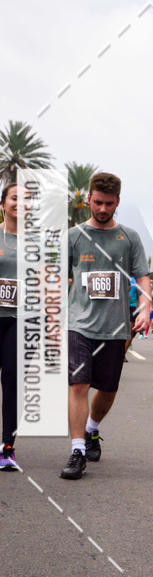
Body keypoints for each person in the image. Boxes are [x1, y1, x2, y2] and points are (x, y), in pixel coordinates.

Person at [60, 172, 150, 479]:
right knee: (78, 385)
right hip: (78, 324)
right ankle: (77, 451)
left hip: (114, 328)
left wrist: (146, 307)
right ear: (88, 198)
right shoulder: (73, 236)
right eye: (97, 202)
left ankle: (92, 428)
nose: (102, 209)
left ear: (118, 202)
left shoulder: (129, 237)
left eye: (109, 204)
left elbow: (142, 277)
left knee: (107, 389)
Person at [0, 184, 20, 471]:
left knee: (13, 379)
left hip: (21, 319)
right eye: (15, 198)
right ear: (3, 203)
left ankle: (7, 447)